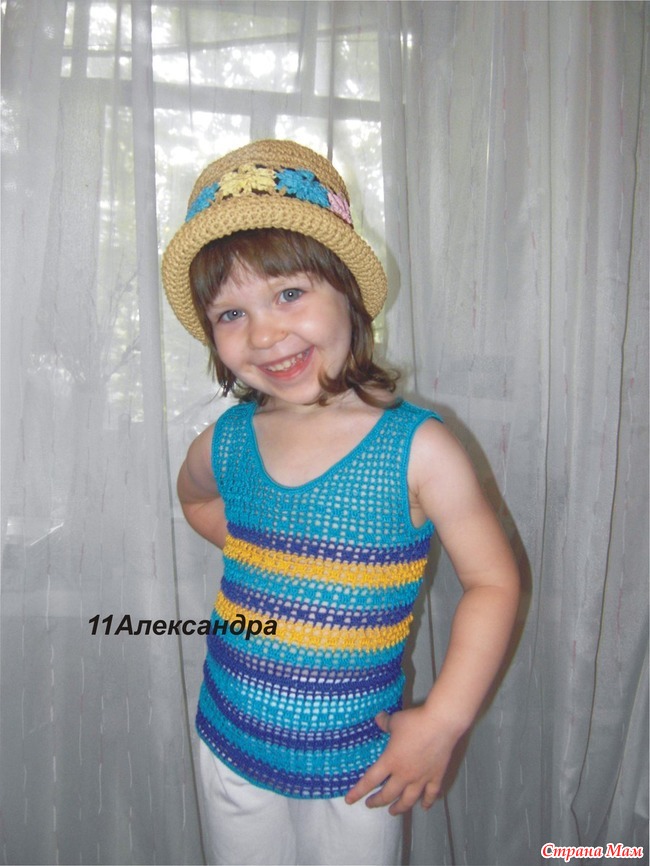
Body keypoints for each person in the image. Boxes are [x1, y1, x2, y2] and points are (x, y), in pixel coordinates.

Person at [162, 139, 520, 866]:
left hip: (360, 765)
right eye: (230, 314)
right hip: (230, 741)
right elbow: (194, 498)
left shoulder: (418, 448)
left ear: (349, 295)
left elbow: (494, 582)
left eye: (288, 294)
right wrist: (265, 554)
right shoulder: (227, 439)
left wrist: (443, 721)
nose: (264, 333)